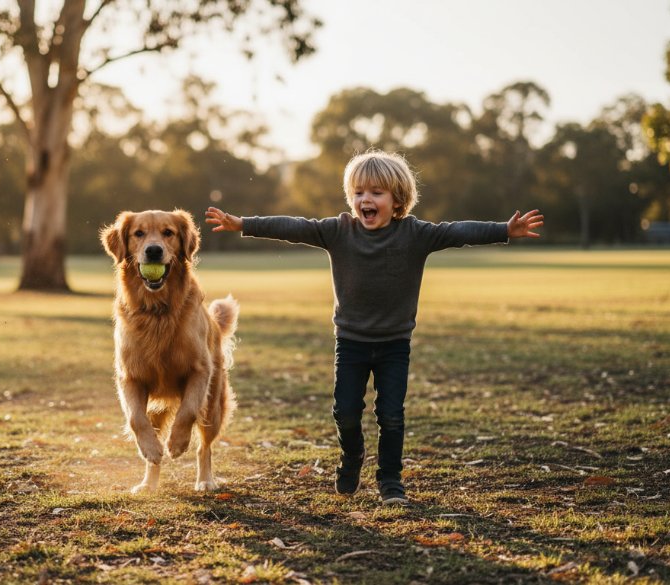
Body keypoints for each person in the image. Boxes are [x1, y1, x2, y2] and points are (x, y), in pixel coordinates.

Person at [205, 150, 543, 504]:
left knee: (391, 415)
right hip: (350, 342)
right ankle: (352, 458)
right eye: (359, 192)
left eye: (376, 193)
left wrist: (505, 229)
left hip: (394, 344)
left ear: (397, 200)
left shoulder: (416, 234)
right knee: (346, 412)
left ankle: (390, 480)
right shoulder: (338, 231)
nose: (365, 199)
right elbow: (295, 226)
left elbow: (459, 231)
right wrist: (244, 224)